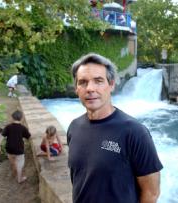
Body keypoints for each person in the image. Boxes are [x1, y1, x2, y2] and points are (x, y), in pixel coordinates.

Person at [67, 53, 163, 203]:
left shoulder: (135, 132)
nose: (90, 88)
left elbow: (152, 193)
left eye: (98, 81)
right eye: (83, 82)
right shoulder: (74, 127)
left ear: (111, 85)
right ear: (76, 88)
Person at [0, 110, 31, 183]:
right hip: (19, 149)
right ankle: (19, 179)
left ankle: (14, 172)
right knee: (20, 163)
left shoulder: (8, 127)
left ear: (12, 118)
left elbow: (2, 136)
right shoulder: (23, 128)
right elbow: (28, 137)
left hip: (9, 148)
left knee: (13, 161)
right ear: (21, 118)